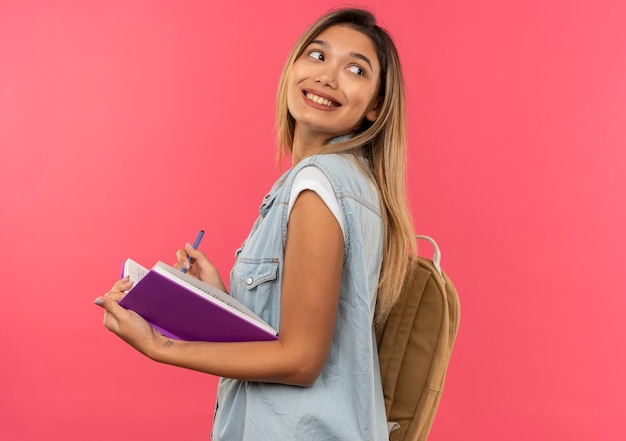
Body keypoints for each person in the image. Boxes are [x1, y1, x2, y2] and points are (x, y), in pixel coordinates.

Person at [95, 7, 416, 440]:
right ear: (293, 67)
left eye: (355, 69)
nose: (327, 76)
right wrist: (222, 301)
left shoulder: (318, 185)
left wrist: (161, 346)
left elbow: (301, 361)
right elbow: (300, 331)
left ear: (376, 106)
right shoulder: (349, 182)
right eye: (318, 56)